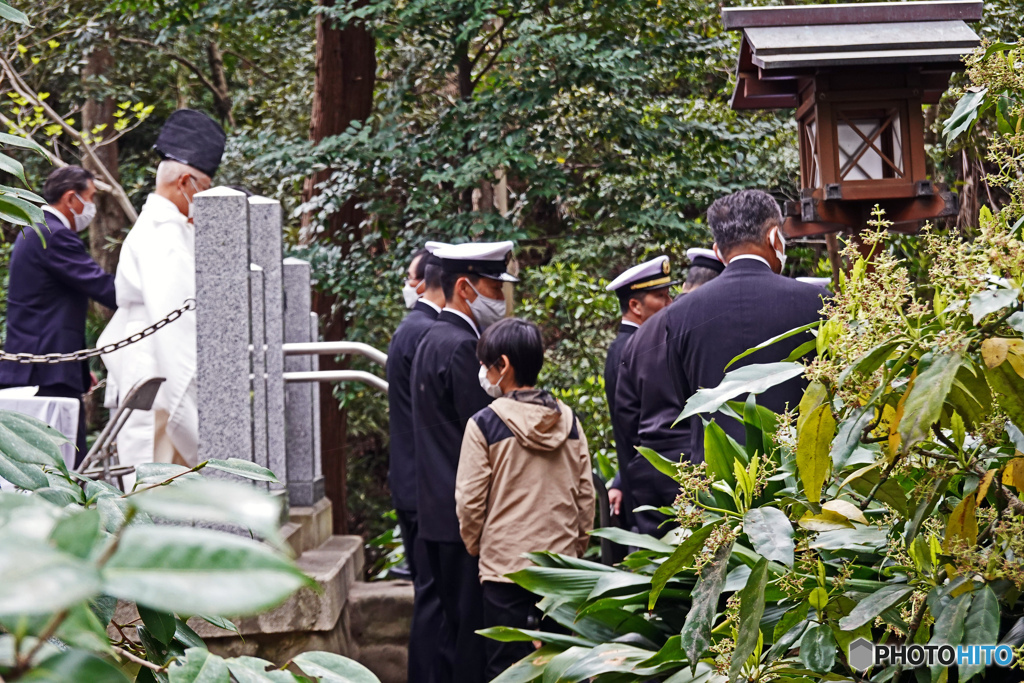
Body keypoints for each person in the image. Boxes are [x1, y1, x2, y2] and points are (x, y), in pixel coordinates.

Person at [456, 318, 593, 678]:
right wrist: (574, 550)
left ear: (504, 365)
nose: (483, 373)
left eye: (487, 365)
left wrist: (478, 547)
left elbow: (470, 502)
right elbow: (585, 496)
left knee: (505, 666)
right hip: (558, 565)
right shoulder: (570, 422)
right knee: (560, 664)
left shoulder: (484, 425)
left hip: (505, 566)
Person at [98, 109, 225, 484]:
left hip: (153, 364)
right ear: (185, 181)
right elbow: (176, 320)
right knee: (155, 477)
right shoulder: (161, 233)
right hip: (157, 368)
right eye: (204, 186)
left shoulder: (170, 228)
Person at [410, 240, 517, 683]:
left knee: (451, 634)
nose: (500, 297)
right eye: (492, 286)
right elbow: (481, 436)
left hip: (436, 513)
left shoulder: (431, 337)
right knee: (471, 641)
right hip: (462, 518)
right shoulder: (460, 348)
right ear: (464, 288)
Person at [665, 189, 829, 463]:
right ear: (774, 237)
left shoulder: (680, 313)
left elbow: (684, 399)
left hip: (718, 485)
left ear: (718, 251)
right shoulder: (818, 302)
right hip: (798, 477)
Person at [0, 166, 116, 462]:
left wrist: (78, 368)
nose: (90, 207)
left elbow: (48, 307)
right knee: (63, 464)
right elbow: (104, 288)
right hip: (45, 371)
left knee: (42, 463)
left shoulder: (34, 229)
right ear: (70, 198)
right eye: (89, 198)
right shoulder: (53, 234)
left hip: (38, 365)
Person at [613, 248, 723, 535]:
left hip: (651, 467)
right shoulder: (708, 324)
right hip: (694, 465)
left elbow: (625, 415)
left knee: (659, 568)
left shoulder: (640, 336)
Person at [386, 244, 446, 683]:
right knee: (433, 595)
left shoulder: (414, 327)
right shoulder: (426, 332)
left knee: (431, 593)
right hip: (424, 485)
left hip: (410, 481)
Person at [602, 256, 677, 529]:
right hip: (650, 481)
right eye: (660, 296)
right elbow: (632, 424)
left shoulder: (632, 345)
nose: (669, 304)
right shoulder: (629, 349)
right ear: (635, 305)